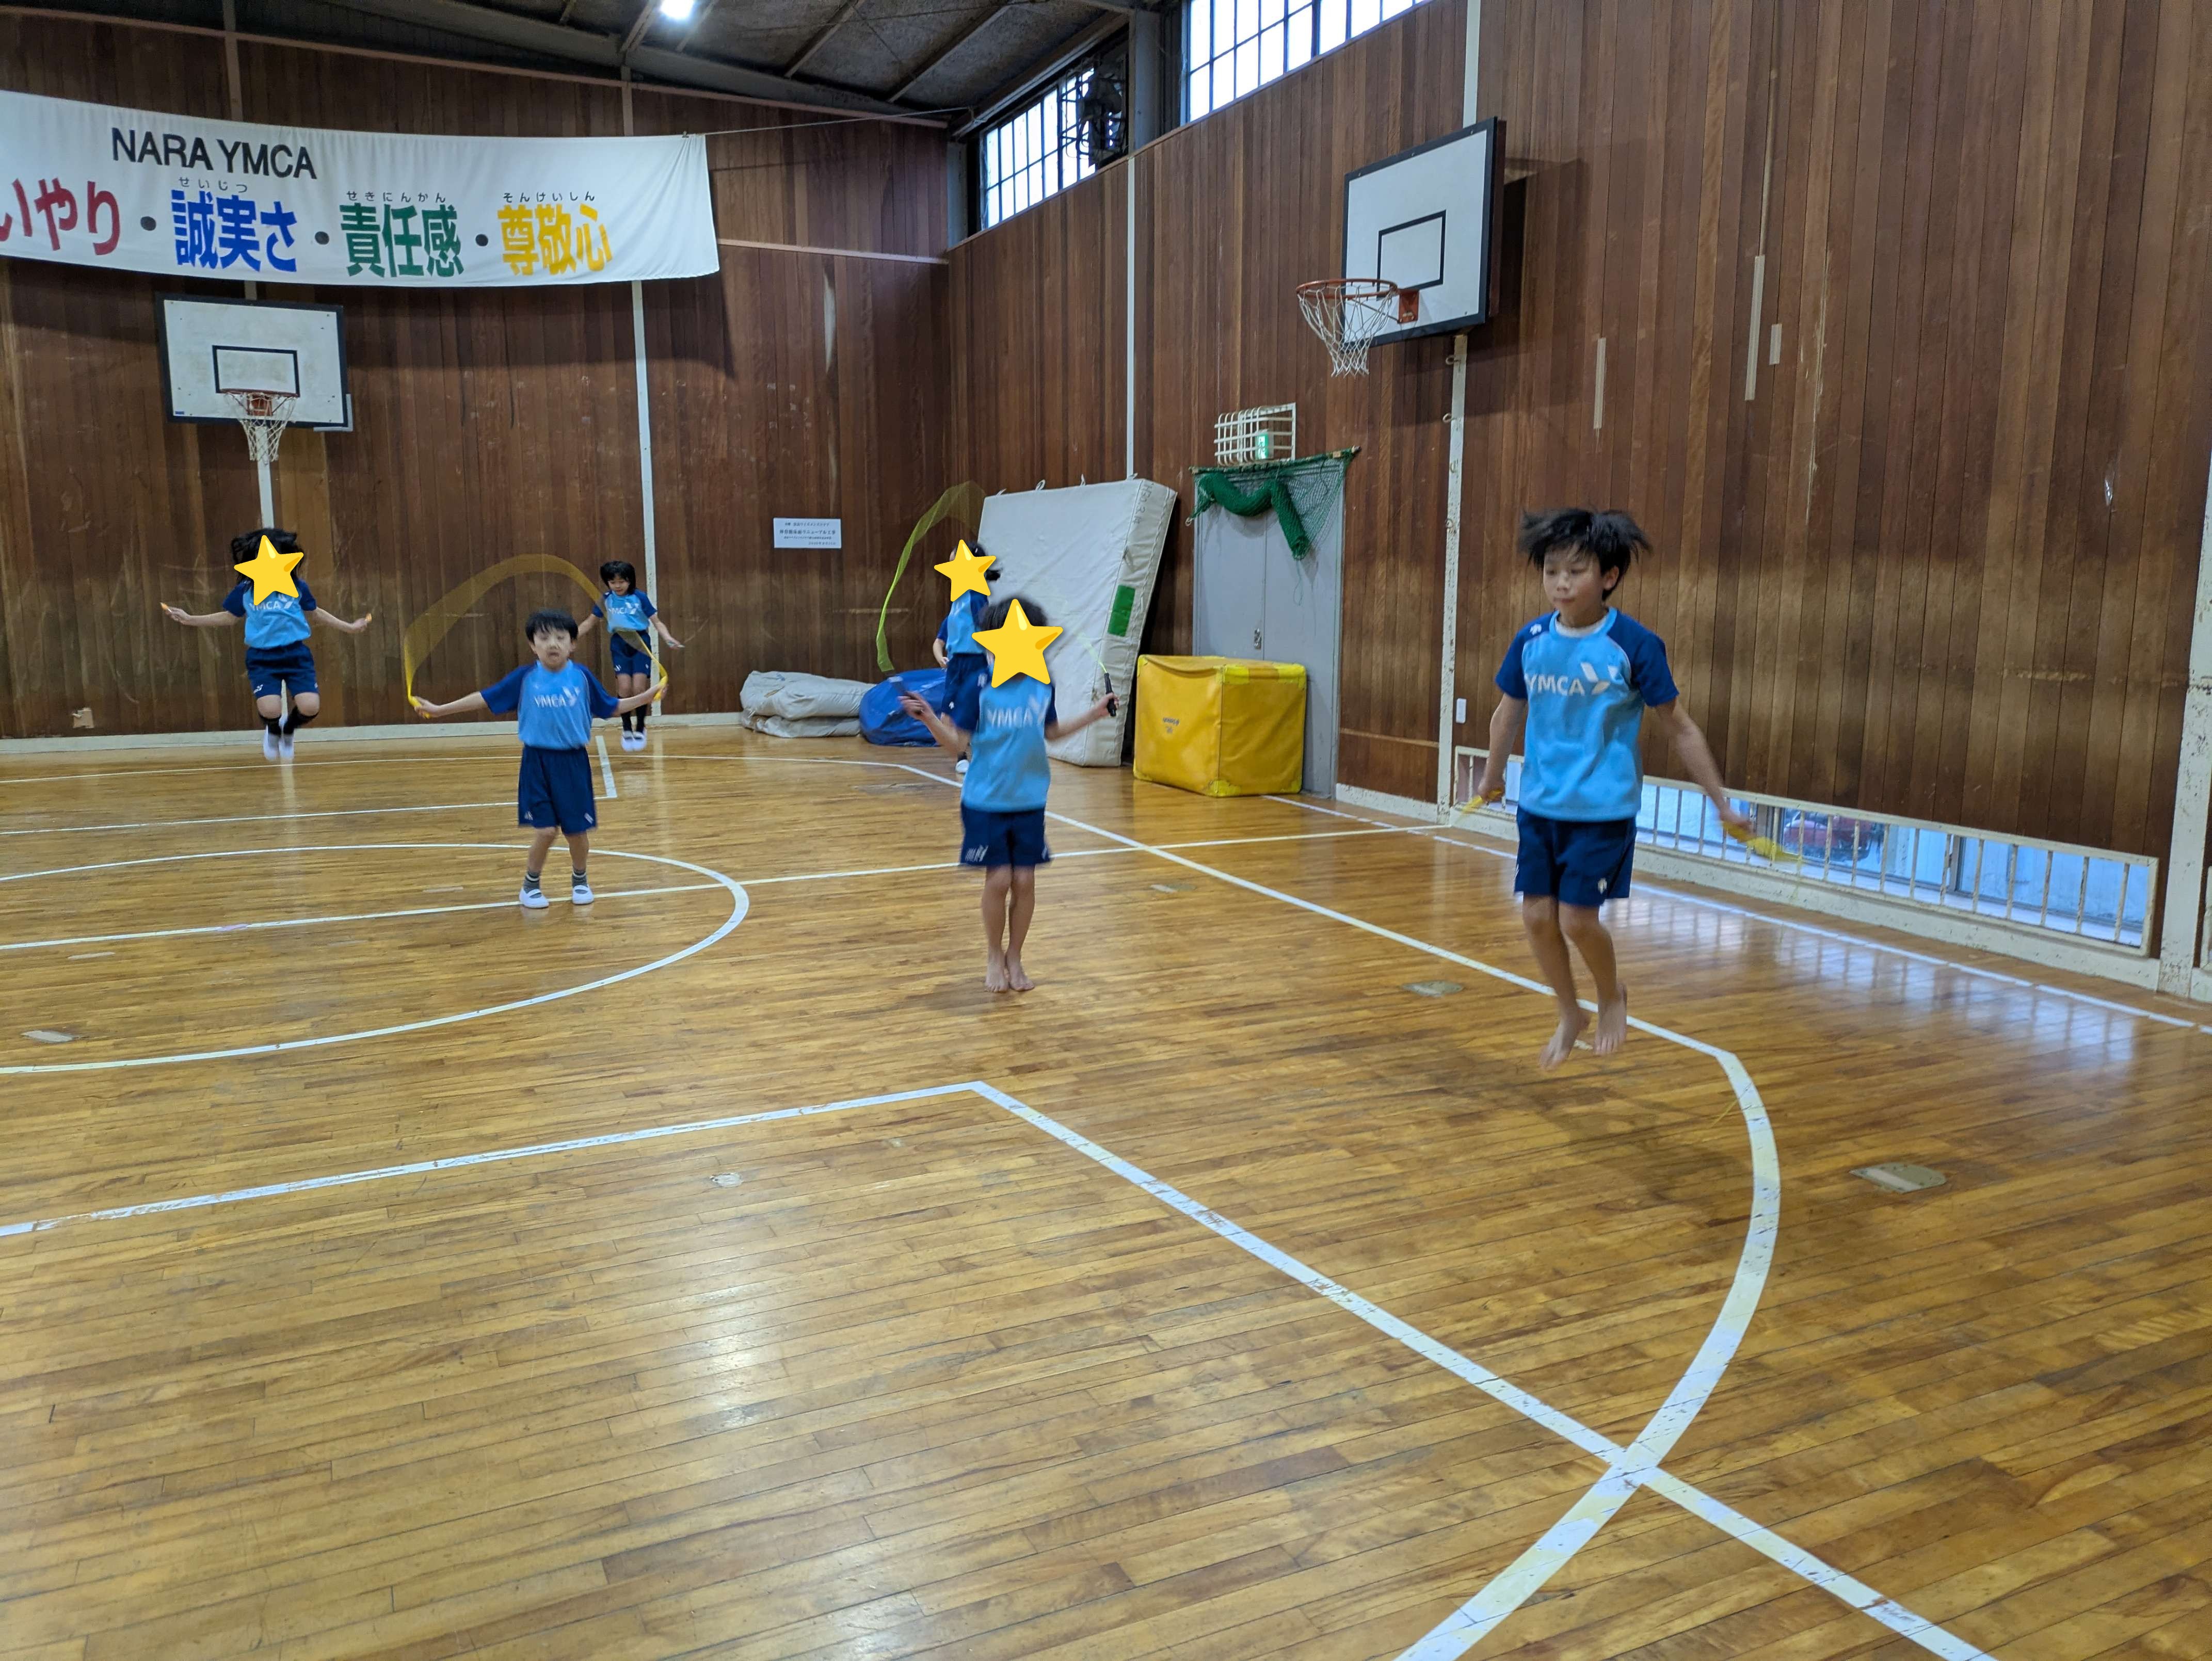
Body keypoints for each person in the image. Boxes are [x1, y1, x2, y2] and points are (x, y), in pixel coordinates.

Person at [1472, 508, 1750, 1070]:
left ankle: (1610, 995)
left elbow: (1679, 727)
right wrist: (1491, 775)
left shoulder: (1633, 644)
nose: (1560, 583)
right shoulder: (1531, 640)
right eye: (1551, 571)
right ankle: (1568, 1011)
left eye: (1575, 572)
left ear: (1609, 577)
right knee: (1535, 917)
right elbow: (1507, 714)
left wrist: (1721, 802)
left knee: (1577, 920)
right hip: (1540, 807)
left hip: (1601, 811)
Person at [900, 595, 1117, 993]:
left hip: (1030, 800)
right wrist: (929, 717)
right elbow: (957, 744)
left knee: (1025, 880)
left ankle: (1015, 956)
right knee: (999, 879)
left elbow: (1051, 733)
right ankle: (992, 954)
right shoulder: (978, 687)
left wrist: (1095, 713)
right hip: (985, 801)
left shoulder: (1041, 684)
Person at [412, 609, 659, 910]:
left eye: (560, 638)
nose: (552, 644)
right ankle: (530, 886)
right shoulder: (525, 678)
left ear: (572, 644)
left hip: (573, 764)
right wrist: (440, 710)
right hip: (537, 764)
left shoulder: (582, 677)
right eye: (544, 638)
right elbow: (485, 698)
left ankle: (580, 880)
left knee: (576, 832)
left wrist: (647, 697)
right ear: (533, 645)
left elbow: (612, 706)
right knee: (545, 830)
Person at [161, 527, 371, 761]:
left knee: (310, 707)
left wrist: (349, 627)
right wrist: (191, 619)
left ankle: (288, 729)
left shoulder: (297, 587)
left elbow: (316, 613)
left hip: (296, 655)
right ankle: (273, 729)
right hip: (262, 658)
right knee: (270, 709)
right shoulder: (245, 591)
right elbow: (229, 617)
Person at [576, 560, 681, 751]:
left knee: (639, 687)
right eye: (613, 582)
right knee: (624, 687)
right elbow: (589, 622)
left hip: (640, 643)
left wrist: (668, 638)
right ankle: (626, 727)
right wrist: (570, 638)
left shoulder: (639, 597)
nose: (618, 586)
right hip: (619, 643)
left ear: (630, 580)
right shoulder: (606, 599)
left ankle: (640, 727)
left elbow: (657, 622)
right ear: (607, 582)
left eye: (622, 581)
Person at [931, 544, 992, 778]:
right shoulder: (956, 603)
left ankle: (966, 757)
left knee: (970, 712)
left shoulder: (977, 598)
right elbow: (940, 640)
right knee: (946, 717)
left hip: (974, 663)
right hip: (956, 665)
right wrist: (941, 657)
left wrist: (994, 661)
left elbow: (987, 631)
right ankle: (964, 754)